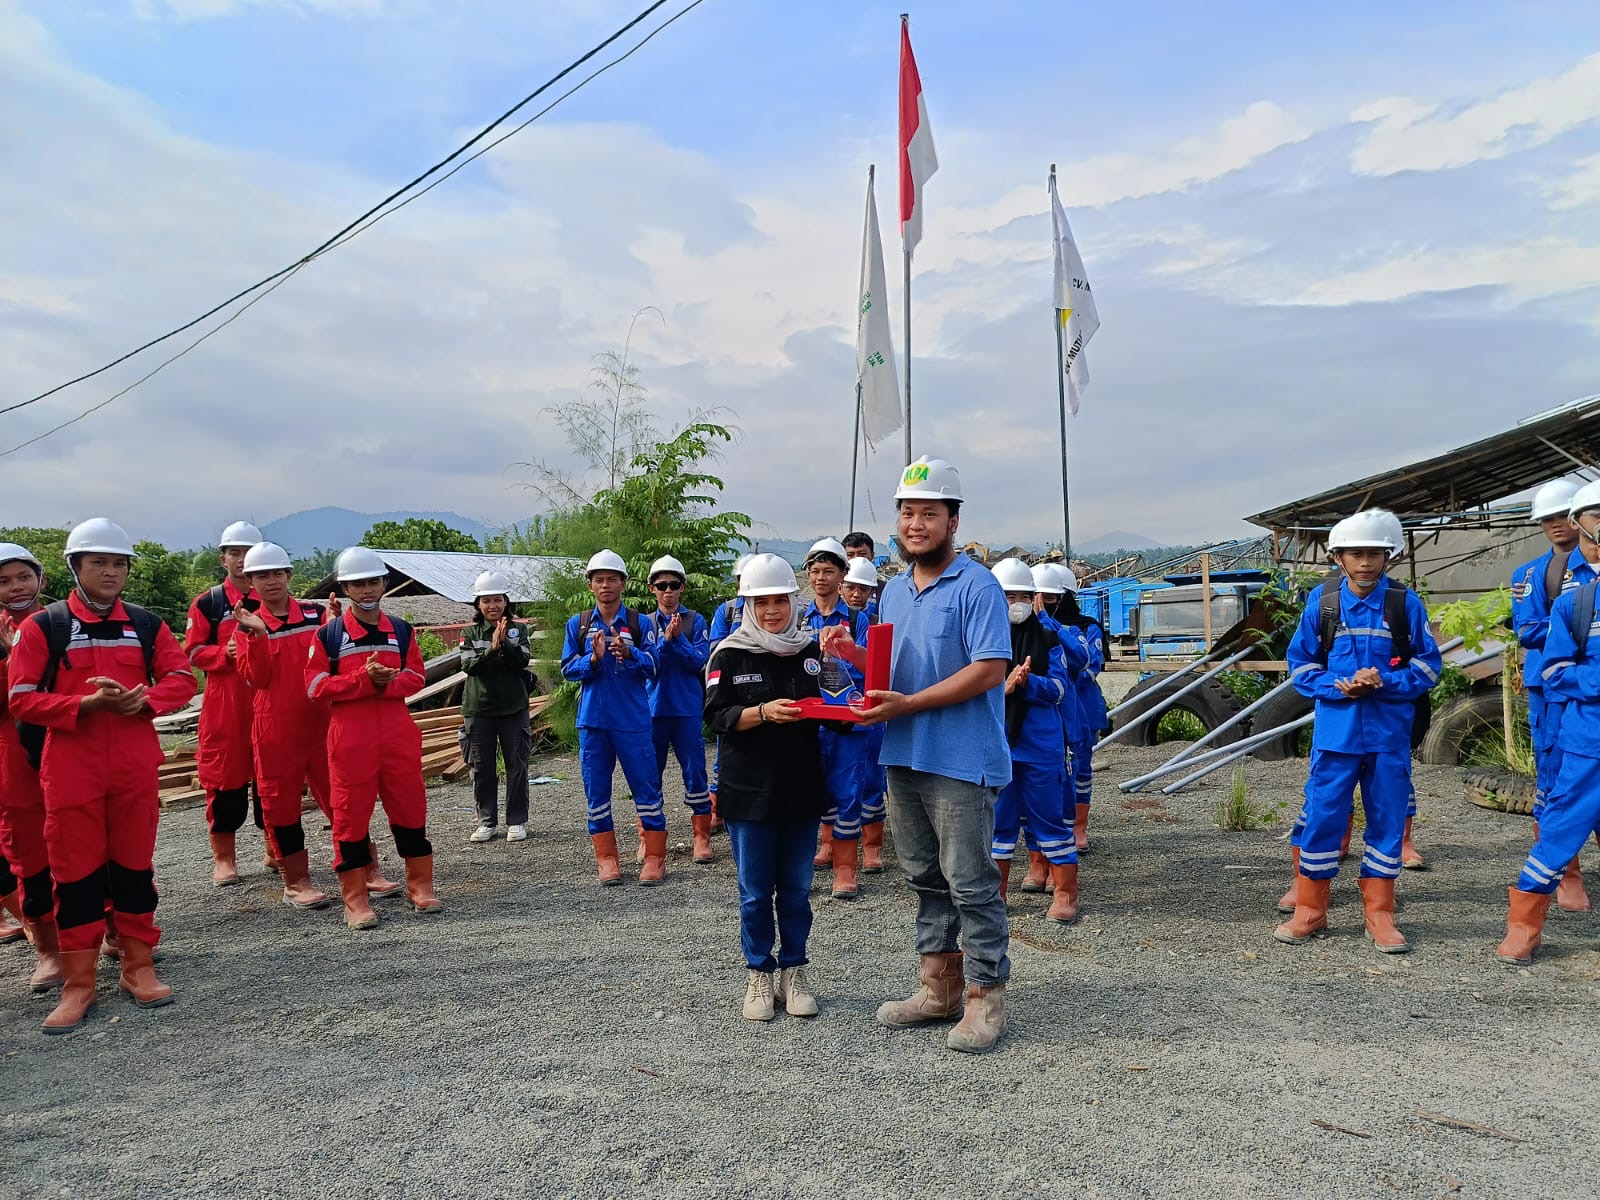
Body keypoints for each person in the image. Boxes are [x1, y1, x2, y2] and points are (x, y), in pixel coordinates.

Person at [831, 455, 1014, 1054]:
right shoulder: (894, 592)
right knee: (925, 878)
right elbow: (893, 673)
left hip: (962, 760)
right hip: (904, 754)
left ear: (952, 521)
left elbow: (990, 669)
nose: (916, 524)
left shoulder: (978, 587)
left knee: (971, 883)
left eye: (929, 513)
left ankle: (985, 997)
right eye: (907, 513)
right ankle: (939, 990)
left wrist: (907, 704)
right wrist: (853, 657)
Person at [9, 519, 197, 1033]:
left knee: (134, 867)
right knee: (75, 875)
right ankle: (79, 983)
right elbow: (22, 699)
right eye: (99, 563)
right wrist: (84, 705)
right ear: (75, 567)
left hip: (134, 762)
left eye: (119, 564)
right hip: (72, 765)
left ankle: (138, 966)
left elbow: (182, 677)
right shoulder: (43, 627)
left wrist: (145, 699)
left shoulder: (146, 623)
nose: (111, 572)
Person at [1274, 510, 1441, 954]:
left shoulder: (1405, 604)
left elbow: (1428, 667)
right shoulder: (1323, 604)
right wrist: (1339, 685)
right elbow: (1301, 665)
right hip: (1337, 736)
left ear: (1389, 556)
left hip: (1388, 736)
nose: (1365, 562)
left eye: (1374, 553)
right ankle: (1310, 909)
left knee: (1387, 819)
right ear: (1338, 557)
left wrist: (1385, 682)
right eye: (1355, 554)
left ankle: (1380, 914)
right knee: (1323, 816)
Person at [704, 554, 829, 1022]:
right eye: (762, 602)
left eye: (780, 600)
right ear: (747, 606)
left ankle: (794, 972)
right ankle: (759, 972)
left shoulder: (811, 650)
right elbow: (715, 716)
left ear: (794, 602)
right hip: (748, 792)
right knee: (755, 893)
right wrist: (761, 713)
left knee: (796, 891)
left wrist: (846, 671)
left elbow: (839, 709)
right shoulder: (728, 654)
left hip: (801, 789)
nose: (772, 610)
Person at [306, 547, 440, 930]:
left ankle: (420, 886)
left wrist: (388, 682)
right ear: (345, 588)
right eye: (358, 583)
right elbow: (315, 686)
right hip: (351, 738)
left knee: (410, 808)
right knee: (349, 816)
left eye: (373, 582)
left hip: (397, 733)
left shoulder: (401, 630)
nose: (366, 589)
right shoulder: (329, 635)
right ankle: (355, 900)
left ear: (384, 584)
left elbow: (417, 675)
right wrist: (363, 680)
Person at [1498, 480, 1600, 964]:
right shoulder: (1567, 596)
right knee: (1560, 810)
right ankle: (1529, 919)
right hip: (1582, 725)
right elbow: (1549, 658)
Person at [230, 542, 336, 911]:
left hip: (322, 722)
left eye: (277, 572)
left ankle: (361, 866)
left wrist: (338, 624)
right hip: (275, 727)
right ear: (250, 581)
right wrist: (258, 635)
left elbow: (333, 660)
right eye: (262, 575)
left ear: (289, 575)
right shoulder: (246, 626)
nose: (271, 580)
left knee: (342, 797)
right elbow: (256, 678)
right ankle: (297, 881)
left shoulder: (316, 614)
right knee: (280, 804)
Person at [561, 550, 667, 886]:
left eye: (612, 579)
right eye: (599, 580)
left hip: (633, 721)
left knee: (646, 790)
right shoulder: (578, 624)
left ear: (623, 583)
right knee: (597, 794)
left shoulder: (640, 623)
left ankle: (654, 858)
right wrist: (592, 661)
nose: (605, 585)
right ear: (590, 585)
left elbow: (655, 666)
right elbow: (567, 669)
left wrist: (630, 652)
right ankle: (607, 860)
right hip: (593, 722)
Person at [988, 559, 1080, 924]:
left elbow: (1059, 689)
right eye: (1009, 596)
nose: (1017, 603)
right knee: (998, 822)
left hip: (1041, 746)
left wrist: (1029, 683)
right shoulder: (982, 639)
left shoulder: (1048, 638)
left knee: (1049, 819)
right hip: (998, 744)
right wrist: (1003, 686)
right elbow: (969, 687)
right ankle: (996, 893)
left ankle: (1065, 893)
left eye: (1024, 596)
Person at [1511, 478, 1588, 911]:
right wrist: (1574, 630)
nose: (1556, 524)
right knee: (1555, 778)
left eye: (1563, 515)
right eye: (1547, 519)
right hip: (1552, 687)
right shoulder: (1532, 574)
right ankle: (1566, 874)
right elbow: (1526, 629)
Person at [184, 520, 265, 887]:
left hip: (266, 699)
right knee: (224, 782)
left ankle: (276, 848)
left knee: (272, 779)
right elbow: (193, 652)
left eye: (248, 552)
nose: (242, 559)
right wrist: (223, 653)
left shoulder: (274, 599)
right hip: (225, 704)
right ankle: (224, 858)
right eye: (235, 553)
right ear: (223, 559)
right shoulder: (209, 603)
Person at [0, 542, 63, 992]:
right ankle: (49, 949)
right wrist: (13, 660)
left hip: (68, 742)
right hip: (13, 753)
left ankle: (111, 931)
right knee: (28, 849)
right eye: (4, 581)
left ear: (40, 578)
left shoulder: (63, 621)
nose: (16, 587)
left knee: (90, 840)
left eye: (23, 577)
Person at [801, 537, 873, 900]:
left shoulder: (859, 619)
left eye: (828, 571)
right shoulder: (798, 618)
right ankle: (819, 851)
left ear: (843, 575)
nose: (820, 578)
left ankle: (846, 869)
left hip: (847, 722)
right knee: (811, 789)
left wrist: (847, 648)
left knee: (848, 792)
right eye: (815, 571)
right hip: (809, 721)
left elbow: (872, 667)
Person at [644, 555, 713, 863]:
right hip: (653, 709)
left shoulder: (695, 621)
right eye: (662, 586)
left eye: (674, 585)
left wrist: (677, 642)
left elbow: (699, 661)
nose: (668, 591)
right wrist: (665, 643)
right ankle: (649, 836)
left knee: (695, 771)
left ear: (682, 587)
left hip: (686, 709)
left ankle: (702, 837)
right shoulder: (644, 623)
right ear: (652, 589)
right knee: (649, 773)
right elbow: (646, 665)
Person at [460, 571, 535, 844]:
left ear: (506, 601)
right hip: (478, 709)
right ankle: (487, 822)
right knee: (482, 767)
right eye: (486, 600)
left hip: (514, 707)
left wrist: (504, 644)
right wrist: (492, 649)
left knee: (517, 765)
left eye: (497, 600)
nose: (492, 605)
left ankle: (516, 820)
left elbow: (522, 661)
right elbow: (469, 666)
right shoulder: (469, 633)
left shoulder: (519, 630)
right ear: (478, 604)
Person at [841, 556, 887, 870]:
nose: (857, 594)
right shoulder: (818, 617)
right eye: (852, 587)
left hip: (869, 709)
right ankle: (833, 845)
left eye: (864, 589)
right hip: (835, 710)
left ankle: (872, 846)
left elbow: (871, 665)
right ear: (841, 586)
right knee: (836, 778)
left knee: (871, 776)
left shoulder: (874, 623)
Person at [706, 552, 755, 833]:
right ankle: (718, 810)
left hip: (760, 690)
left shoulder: (776, 609)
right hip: (731, 689)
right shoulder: (726, 611)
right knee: (724, 753)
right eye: (741, 579)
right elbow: (715, 648)